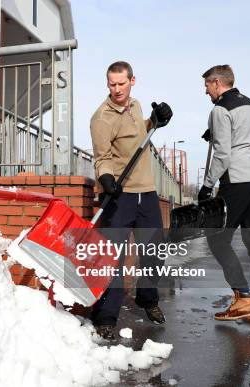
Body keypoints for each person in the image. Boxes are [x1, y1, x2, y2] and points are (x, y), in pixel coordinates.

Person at [89, 61, 173, 339]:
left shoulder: (136, 106)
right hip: (119, 194)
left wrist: (156, 121)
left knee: (153, 252)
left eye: (121, 83)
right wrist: (106, 178)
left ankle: (147, 299)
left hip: (146, 192)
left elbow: (141, 135)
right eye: (112, 84)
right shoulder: (101, 118)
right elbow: (102, 158)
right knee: (114, 258)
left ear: (132, 81)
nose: (116, 90)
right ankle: (106, 315)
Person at [198, 65, 250, 324]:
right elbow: (244, 138)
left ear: (217, 83)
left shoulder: (220, 109)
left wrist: (207, 185)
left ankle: (243, 298)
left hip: (237, 183)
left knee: (218, 240)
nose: (205, 91)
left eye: (207, 86)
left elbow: (223, 155)